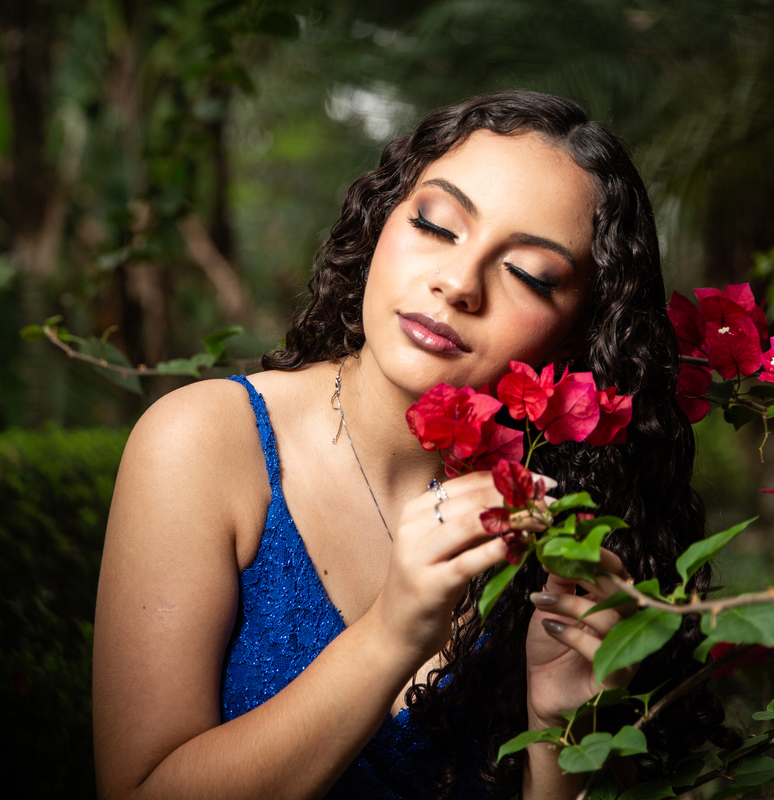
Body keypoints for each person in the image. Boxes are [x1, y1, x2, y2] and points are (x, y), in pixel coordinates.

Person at [92, 91, 730, 800]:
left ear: (582, 334)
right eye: (435, 224)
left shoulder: (565, 538)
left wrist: (565, 737)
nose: (457, 284)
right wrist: (390, 633)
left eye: (528, 275)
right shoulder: (204, 443)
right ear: (382, 219)